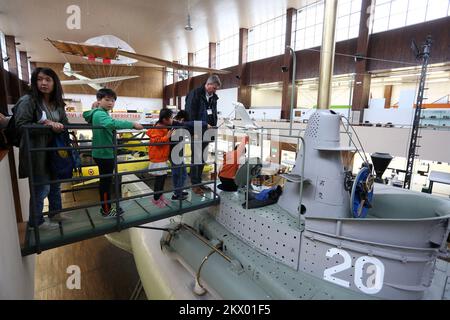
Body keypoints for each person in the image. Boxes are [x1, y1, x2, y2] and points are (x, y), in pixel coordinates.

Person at [14, 67, 68, 230]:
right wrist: (47, 126)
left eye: (48, 79)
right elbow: (21, 125)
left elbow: (65, 123)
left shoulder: (58, 104)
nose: (43, 83)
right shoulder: (28, 101)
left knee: (55, 184)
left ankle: (55, 213)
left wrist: (59, 126)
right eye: (39, 79)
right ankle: (36, 222)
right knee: (41, 187)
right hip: (37, 152)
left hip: (54, 152)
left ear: (54, 83)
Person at [83, 88, 143, 218]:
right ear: (99, 100)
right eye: (107, 100)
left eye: (113, 100)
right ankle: (106, 210)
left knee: (106, 182)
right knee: (105, 183)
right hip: (104, 153)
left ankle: (107, 207)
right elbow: (111, 123)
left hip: (102, 152)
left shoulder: (98, 112)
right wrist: (132, 124)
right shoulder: (100, 114)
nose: (111, 103)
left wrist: (93, 108)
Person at [185, 75, 221, 196]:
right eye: (214, 88)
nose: (215, 90)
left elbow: (213, 113)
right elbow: (190, 114)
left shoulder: (213, 97)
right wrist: (194, 130)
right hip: (196, 131)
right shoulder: (195, 94)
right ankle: (195, 184)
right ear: (208, 84)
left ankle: (198, 182)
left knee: (202, 158)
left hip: (208, 131)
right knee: (197, 158)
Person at [147, 108, 173, 208]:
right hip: (158, 157)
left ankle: (160, 195)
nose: (171, 120)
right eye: (170, 118)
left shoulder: (162, 126)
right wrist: (167, 136)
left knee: (162, 178)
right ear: (164, 119)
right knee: (159, 179)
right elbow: (157, 142)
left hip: (161, 157)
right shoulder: (158, 127)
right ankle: (156, 199)